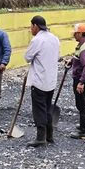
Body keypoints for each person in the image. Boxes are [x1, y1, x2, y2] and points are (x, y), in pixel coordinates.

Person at [23, 15, 60, 147]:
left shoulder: (37, 40)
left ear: (35, 26)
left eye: (31, 26)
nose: (30, 29)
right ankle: (49, 136)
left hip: (39, 81)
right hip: (51, 80)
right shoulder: (54, 38)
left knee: (39, 110)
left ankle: (40, 138)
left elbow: (27, 57)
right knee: (48, 107)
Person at [68, 23, 85, 139]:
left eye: (75, 33)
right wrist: (72, 61)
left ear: (80, 33)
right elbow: (79, 57)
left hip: (82, 79)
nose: (74, 35)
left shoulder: (84, 48)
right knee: (83, 103)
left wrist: (81, 83)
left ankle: (83, 131)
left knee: (82, 105)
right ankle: (82, 125)